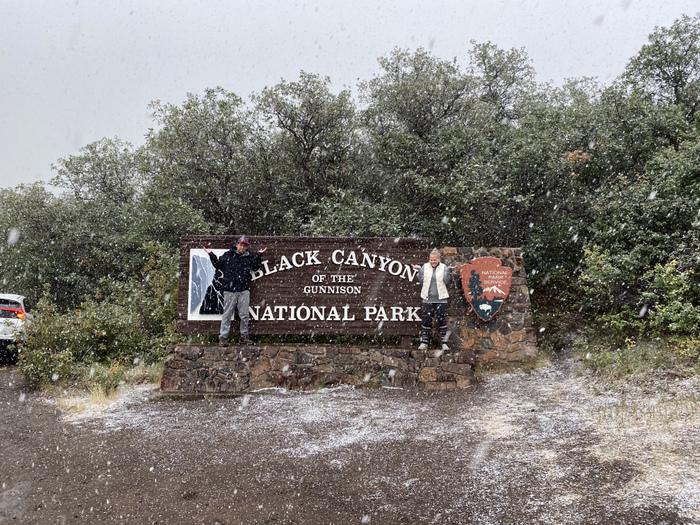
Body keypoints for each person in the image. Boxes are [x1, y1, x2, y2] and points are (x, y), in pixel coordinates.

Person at [205, 236, 266, 346]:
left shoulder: (249, 257)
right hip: (229, 290)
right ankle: (223, 338)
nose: (242, 246)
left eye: (245, 245)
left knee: (244, 315)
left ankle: (244, 337)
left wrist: (259, 255)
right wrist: (211, 254)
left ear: (247, 246)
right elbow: (218, 265)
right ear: (237, 244)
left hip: (244, 290)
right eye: (241, 244)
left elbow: (256, 267)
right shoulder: (228, 255)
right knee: (227, 315)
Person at [414, 248, 452, 351]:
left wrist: (448, 271)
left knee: (441, 320)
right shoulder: (425, 267)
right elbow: (421, 280)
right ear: (429, 259)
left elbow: (447, 281)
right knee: (426, 320)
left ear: (439, 259)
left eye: (435, 260)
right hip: (427, 298)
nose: (433, 261)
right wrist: (419, 271)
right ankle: (424, 342)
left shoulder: (444, 267)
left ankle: (444, 343)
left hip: (441, 299)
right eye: (431, 259)